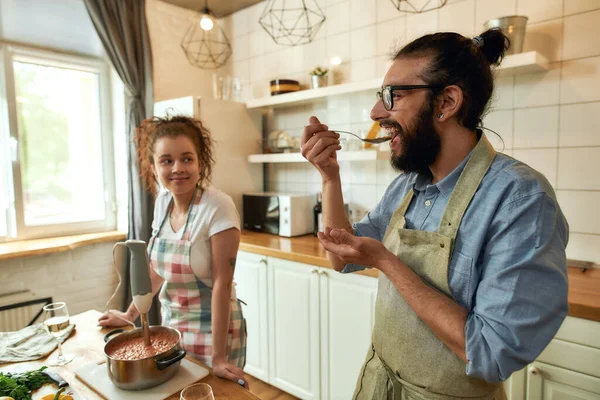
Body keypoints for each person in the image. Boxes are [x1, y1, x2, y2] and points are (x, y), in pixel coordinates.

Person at [302, 29, 569, 399]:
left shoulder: (519, 197)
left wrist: (386, 261)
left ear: (446, 102)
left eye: (392, 96)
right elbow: (339, 258)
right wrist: (330, 176)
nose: (377, 113)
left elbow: (491, 351)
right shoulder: (408, 185)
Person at [99, 115, 248, 388]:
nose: (177, 168)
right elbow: (158, 269)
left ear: (200, 162)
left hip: (215, 332)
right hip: (173, 329)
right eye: (167, 160)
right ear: (154, 166)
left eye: (187, 158)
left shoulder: (217, 206)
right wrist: (129, 315)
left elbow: (222, 284)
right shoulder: (163, 202)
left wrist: (218, 358)